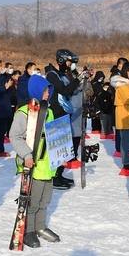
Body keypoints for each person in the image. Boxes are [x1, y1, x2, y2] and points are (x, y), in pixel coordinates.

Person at [8, 74, 59, 248]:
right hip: (34, 165)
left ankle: (40, 226)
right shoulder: (24, 113)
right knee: (33, 200)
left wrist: (61, 154)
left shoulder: (49, 111)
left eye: (48, 90)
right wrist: (27, 155)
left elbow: (53, 135)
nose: (47, 93)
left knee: (45, 199)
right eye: (45, 90)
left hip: (48, 165)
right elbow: (15, 136)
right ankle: (28, 229)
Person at [44, 49, 81, 189]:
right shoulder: (52, 75)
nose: (70, 65)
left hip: (64, 112)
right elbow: (65, 91)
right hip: (56, 113)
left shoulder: (61, 74)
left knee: (63, 146)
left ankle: (59, 174)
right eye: (68, 62)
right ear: (61, 61)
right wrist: (78, 79)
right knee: (56, 146)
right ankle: (54, 176)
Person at [112, 61, 129, 176]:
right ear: (127, 71)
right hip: (124, 117)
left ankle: (127, 161)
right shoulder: (122, 85)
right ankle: (126, 163)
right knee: (126, 142)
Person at [0, 62, 15, 156]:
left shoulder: (7, 77)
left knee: (2, 131)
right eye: (3, 67)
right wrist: (5, 87)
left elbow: (11, 90)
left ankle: (0, 149)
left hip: (5, 106)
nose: (4, 69)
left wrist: (10, 86)